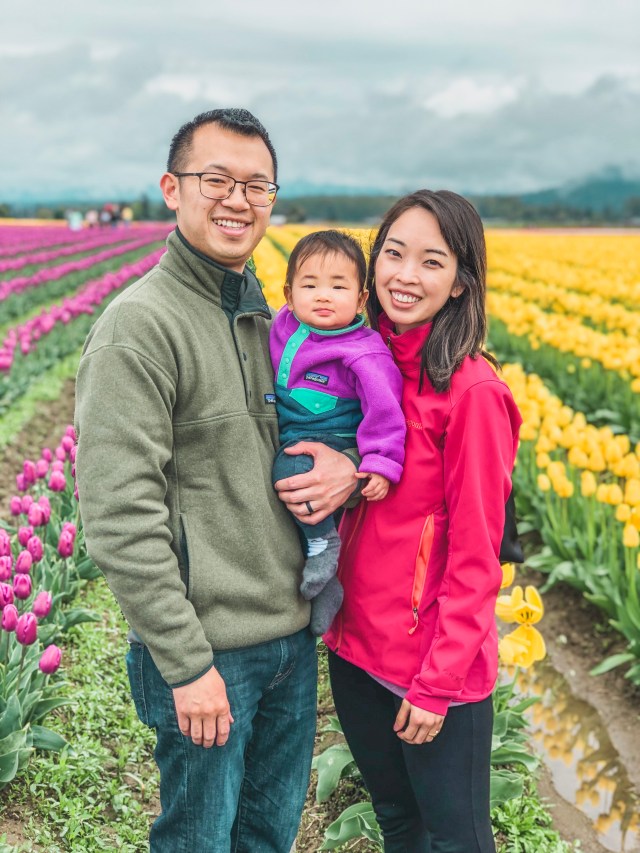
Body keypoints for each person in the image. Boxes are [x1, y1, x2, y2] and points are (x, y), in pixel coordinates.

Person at [74, 108, 358, 853]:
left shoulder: (275, 315)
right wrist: (187, 662)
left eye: (256, 184)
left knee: (265, 838)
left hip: (289, 644)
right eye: (217, 180)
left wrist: (353, 468)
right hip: (209, 653)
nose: (238, 198)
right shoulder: (139, 326)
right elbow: (116, 513)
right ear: (172, 188)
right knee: (198, 841)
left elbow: (325, 431)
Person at [322, 190, 523, 853]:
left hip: (433, 672)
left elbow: (476, 557)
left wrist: (436, 686)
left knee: (456, 839)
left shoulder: (473, 394)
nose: (405, 275)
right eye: (394, 253)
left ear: (462, 281)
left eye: (431, 261)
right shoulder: (359, 363)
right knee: (398, 822)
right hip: (354, 653)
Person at [270, 230, 406, 635]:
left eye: (338, 286)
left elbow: (385, 413)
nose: (323, 295)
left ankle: (322, 545)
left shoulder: (363, 352)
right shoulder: (281, 326)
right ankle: (327, 583)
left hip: (331, 437)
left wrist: (381, 464)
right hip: (293, 423)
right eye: (310, 285)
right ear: (289, 294)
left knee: (290, 471)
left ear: (362, 298)